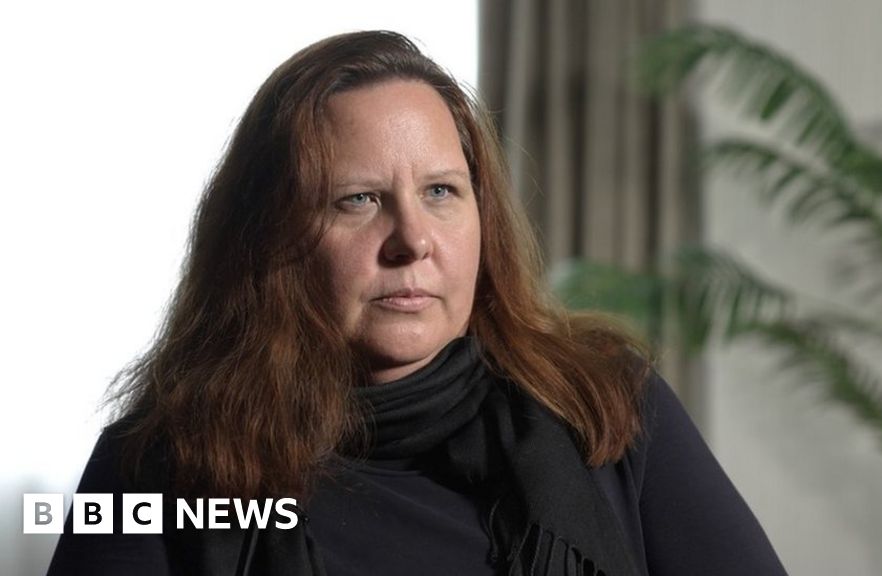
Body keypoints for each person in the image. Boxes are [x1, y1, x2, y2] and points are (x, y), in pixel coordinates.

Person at [47, 31, 788, 576]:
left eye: (440, 191)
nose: (412, 240)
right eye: (358, 200)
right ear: (271, 238)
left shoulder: (606, 403)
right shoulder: (157, 466)